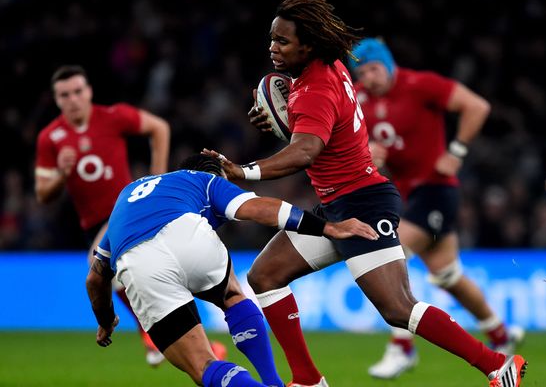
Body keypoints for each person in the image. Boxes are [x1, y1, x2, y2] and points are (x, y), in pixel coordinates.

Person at [203, 0, 527, 387]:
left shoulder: (314, 88)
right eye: (272, 38)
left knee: (397, 307)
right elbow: (318, 134)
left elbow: (306, 151)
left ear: (307, 45)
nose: (272, 47)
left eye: (282, 41)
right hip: (336, 204)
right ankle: (307, 378)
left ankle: (496, 363)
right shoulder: (330, 68)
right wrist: (287, 123)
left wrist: (244, 170)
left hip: (363, 204)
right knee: (266, 275)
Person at [85, 153, 378, 387]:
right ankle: (273, 382)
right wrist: (326, 226)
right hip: (187, 234)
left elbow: (96, 277)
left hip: (139, 263)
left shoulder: (128, 195)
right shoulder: (206, 180)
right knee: (232, 294)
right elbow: (259, 208)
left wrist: (106, 320)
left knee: (204, 367)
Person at [348, 37, 524, 379]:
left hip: (436, 190)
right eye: (362, 71)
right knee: (448, 275)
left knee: (390, 252)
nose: (369, 76)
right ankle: (501, 335)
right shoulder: (358, 98)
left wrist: (456, 152)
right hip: (403, 194)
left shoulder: (421, 84)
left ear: (388, 64)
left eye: (374, 68)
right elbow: (351, 142)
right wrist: (366, 150)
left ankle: (402, 348)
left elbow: (477, 107)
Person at [34, 65, 179, 366]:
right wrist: (62, 173)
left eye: (77, 91)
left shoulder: (113, 116)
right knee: (129, 279)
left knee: (97, 263)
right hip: (93, 223)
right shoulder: (51, 138)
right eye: (65, 95)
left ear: (88, 92)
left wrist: (157, 179)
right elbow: (43, 194)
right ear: (56, 100)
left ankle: (143, 332)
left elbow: (159, 128)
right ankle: (173, 339)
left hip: (126, 210)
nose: (73, 99)